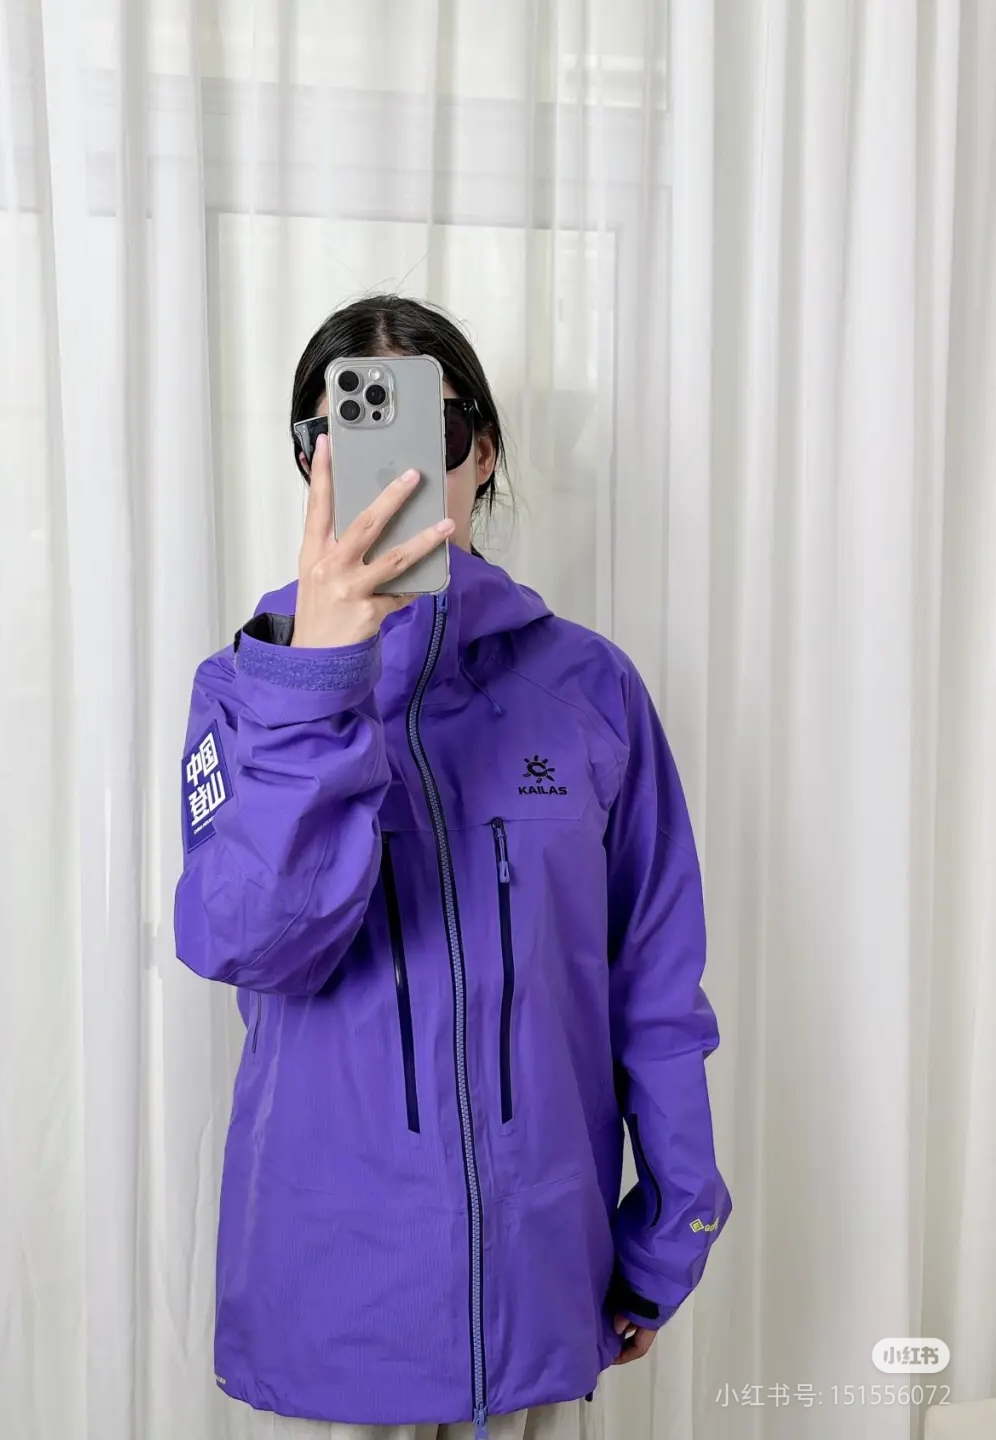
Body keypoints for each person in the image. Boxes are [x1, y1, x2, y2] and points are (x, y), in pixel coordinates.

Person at [173, 295, 732, 1440]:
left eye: (434, 429)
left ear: (480, 454)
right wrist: (317, 683)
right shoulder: (245, 692)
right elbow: (248, 939)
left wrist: (673, 1228)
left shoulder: (589, 688)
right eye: (349, 433)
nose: (396, 471)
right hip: (334, 1302)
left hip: (540, 1282)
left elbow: (655, 983)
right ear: (308, 464)